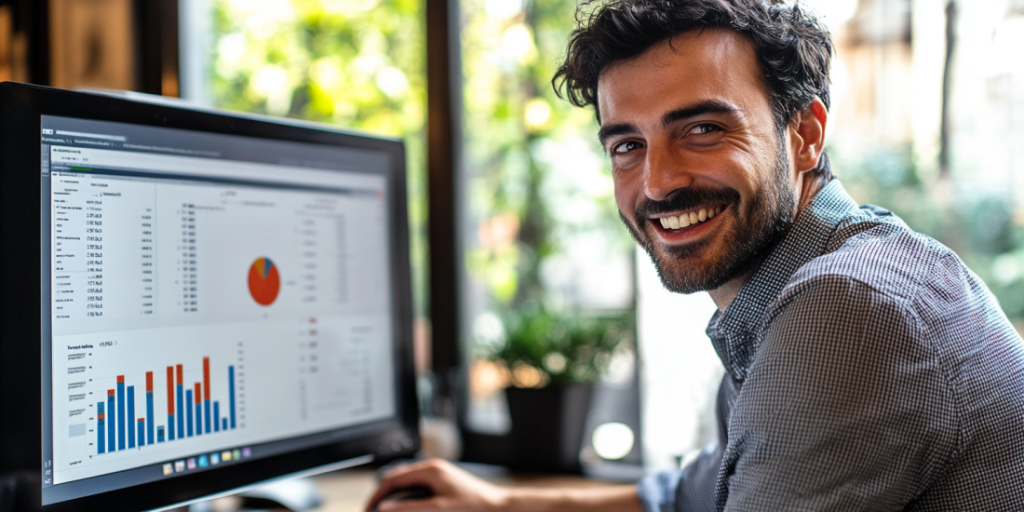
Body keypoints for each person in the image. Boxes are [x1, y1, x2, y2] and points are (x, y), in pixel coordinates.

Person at [367, 0, 1024, 510]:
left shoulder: (847, 310)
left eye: (703, 129)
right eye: (627, 145)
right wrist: (503, 504)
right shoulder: (811, 276)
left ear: (804, 135)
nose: (657, 183)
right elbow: (697, 494)